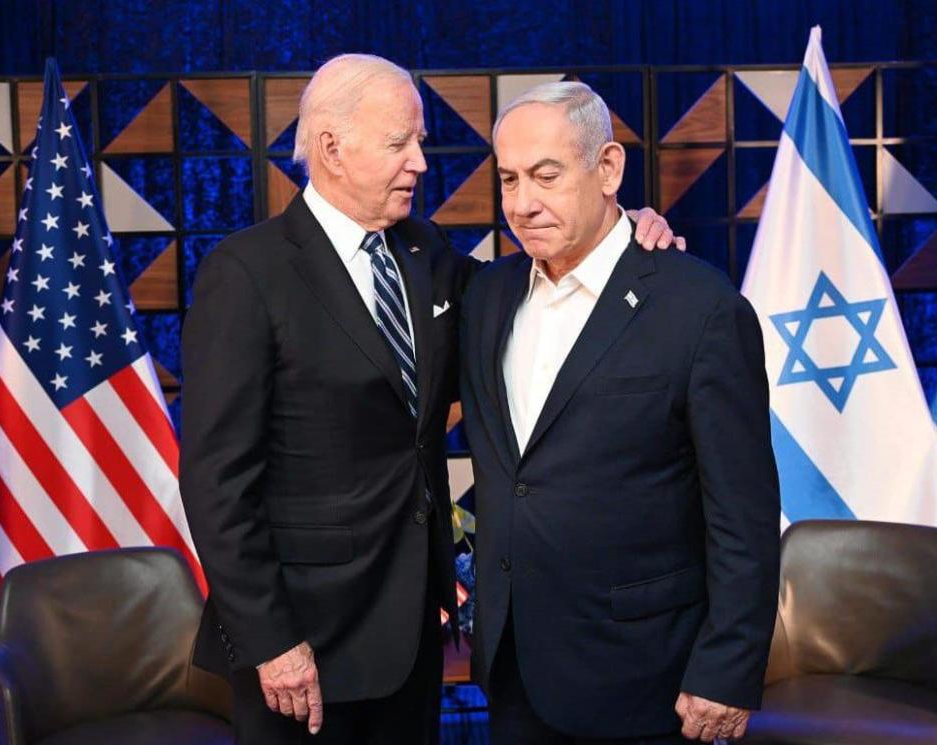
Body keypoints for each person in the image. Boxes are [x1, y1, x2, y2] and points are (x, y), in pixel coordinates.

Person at [180, 55, 680, 744]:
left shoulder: (423, 250)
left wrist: (621, 231)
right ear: (330, 148)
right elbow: (216, 484)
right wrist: (271, 640)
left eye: (418, 141)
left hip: (413, 634)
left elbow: (529, 290)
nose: (421, 161)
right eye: (399, 143)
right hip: (302, 645)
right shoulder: (245, 274)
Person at [460, 81, 781, 744]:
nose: (523, 203)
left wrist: (727, 667)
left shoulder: (700, 308)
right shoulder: (485, 296)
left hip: (646, 679)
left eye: (547, 176)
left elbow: (742, 514)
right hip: (513, 668)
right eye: (510, 179)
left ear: (608, 168)